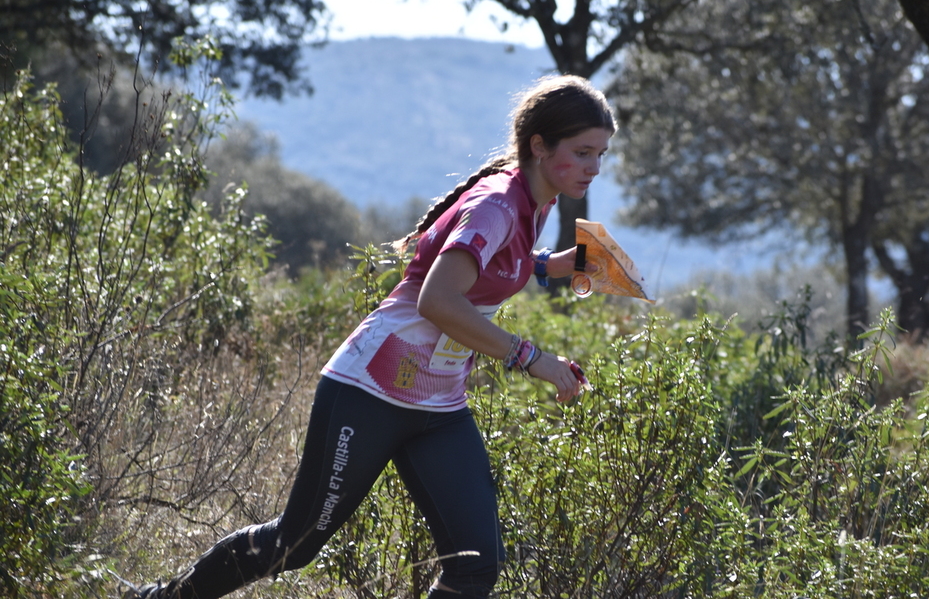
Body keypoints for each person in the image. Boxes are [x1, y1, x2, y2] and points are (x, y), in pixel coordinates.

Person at [126, 74, 616, 599]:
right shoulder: (498, 203)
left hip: (439, 404)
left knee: (476, 565)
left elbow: (493, 263)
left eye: (601, 155)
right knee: (297, 543)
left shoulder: (534, 198)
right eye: (583, 152)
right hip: (369, 392)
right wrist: (530, 356)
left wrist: (550, 265)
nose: (593, 167)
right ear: (539, 146)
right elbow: (438, 300)